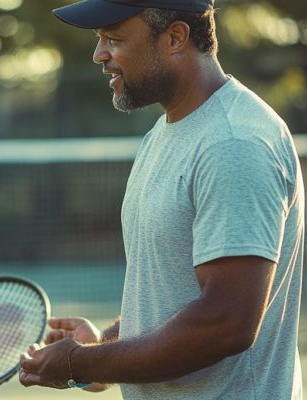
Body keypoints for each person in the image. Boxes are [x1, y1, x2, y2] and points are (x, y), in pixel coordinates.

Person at [19, 1, 304, 399]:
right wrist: (104, 346)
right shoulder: (165, 132)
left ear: (175, 38)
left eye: (114, 39)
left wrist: (79, 363)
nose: (99, 54)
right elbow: (178, 297)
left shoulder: (234, 142)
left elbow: (225, 322)